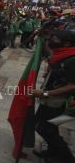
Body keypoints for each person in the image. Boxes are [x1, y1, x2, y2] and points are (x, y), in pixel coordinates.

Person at [33, 29, 75, 162]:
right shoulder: (61, 56)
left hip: (60, 103)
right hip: (49, 101)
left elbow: (72, 85)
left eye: (55, 40)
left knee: (46, 128)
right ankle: (53, 151)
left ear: (67, 43)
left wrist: (45, 93)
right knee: (44, 126)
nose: (51, 41)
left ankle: (65, 157)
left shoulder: (72, 59)